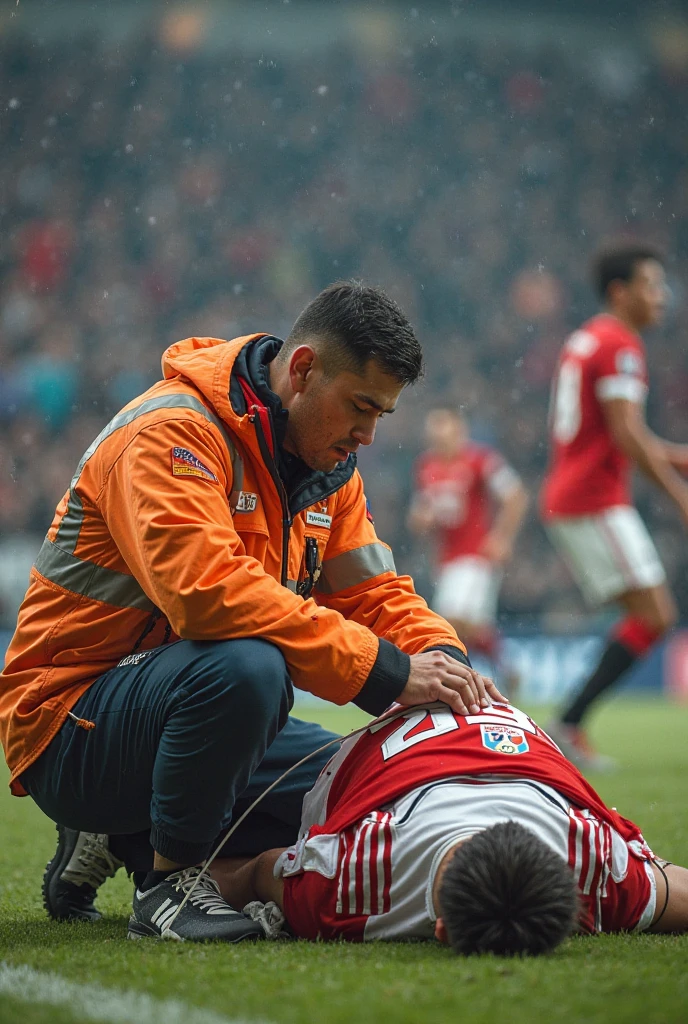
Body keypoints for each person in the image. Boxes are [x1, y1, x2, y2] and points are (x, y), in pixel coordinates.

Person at [0, 281, 504, 942]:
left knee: (347, 787)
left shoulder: (331, 469)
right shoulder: (172, 432)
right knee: (249, 666)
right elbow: (208, 597)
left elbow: (377, 594)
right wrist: (386, 672)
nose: (369, 435)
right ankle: (168, 885)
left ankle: (120, 835)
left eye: (381, 414)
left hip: (170, 713)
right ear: (301, 371)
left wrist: (441, 659)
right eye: (360, 407)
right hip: (67, 724)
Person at [213, 699, 688, 953]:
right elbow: (250, 875)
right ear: (442, 930)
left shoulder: (594, 860)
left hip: (441, 735)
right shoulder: (353, 879)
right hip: (361, 763)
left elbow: (672, 886)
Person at [540, 244, 688, 771]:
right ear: (620, 292)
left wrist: (671, 457)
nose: (663, 297)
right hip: (594, 498)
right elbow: (625, 434)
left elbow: (607, 433)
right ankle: (568, 724)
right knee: (656, 613)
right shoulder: (620, 343)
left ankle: (569, 722)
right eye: (652, 285)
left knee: (650, 614)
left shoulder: (588, 338)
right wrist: (680, 496)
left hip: (579, 493)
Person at [407, 407, 528, 672]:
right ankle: (506, 666)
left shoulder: (481, 460)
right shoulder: (426, 467)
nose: (438, 438)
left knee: (451, 620)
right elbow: (417, 518)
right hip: (446, 560)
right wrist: (422, 519)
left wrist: (501, 537)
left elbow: (515, 496)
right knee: (468, 627)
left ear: (460, 430)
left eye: (444, 429)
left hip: (475, 555)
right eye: (434, 432)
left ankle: (459, 676)